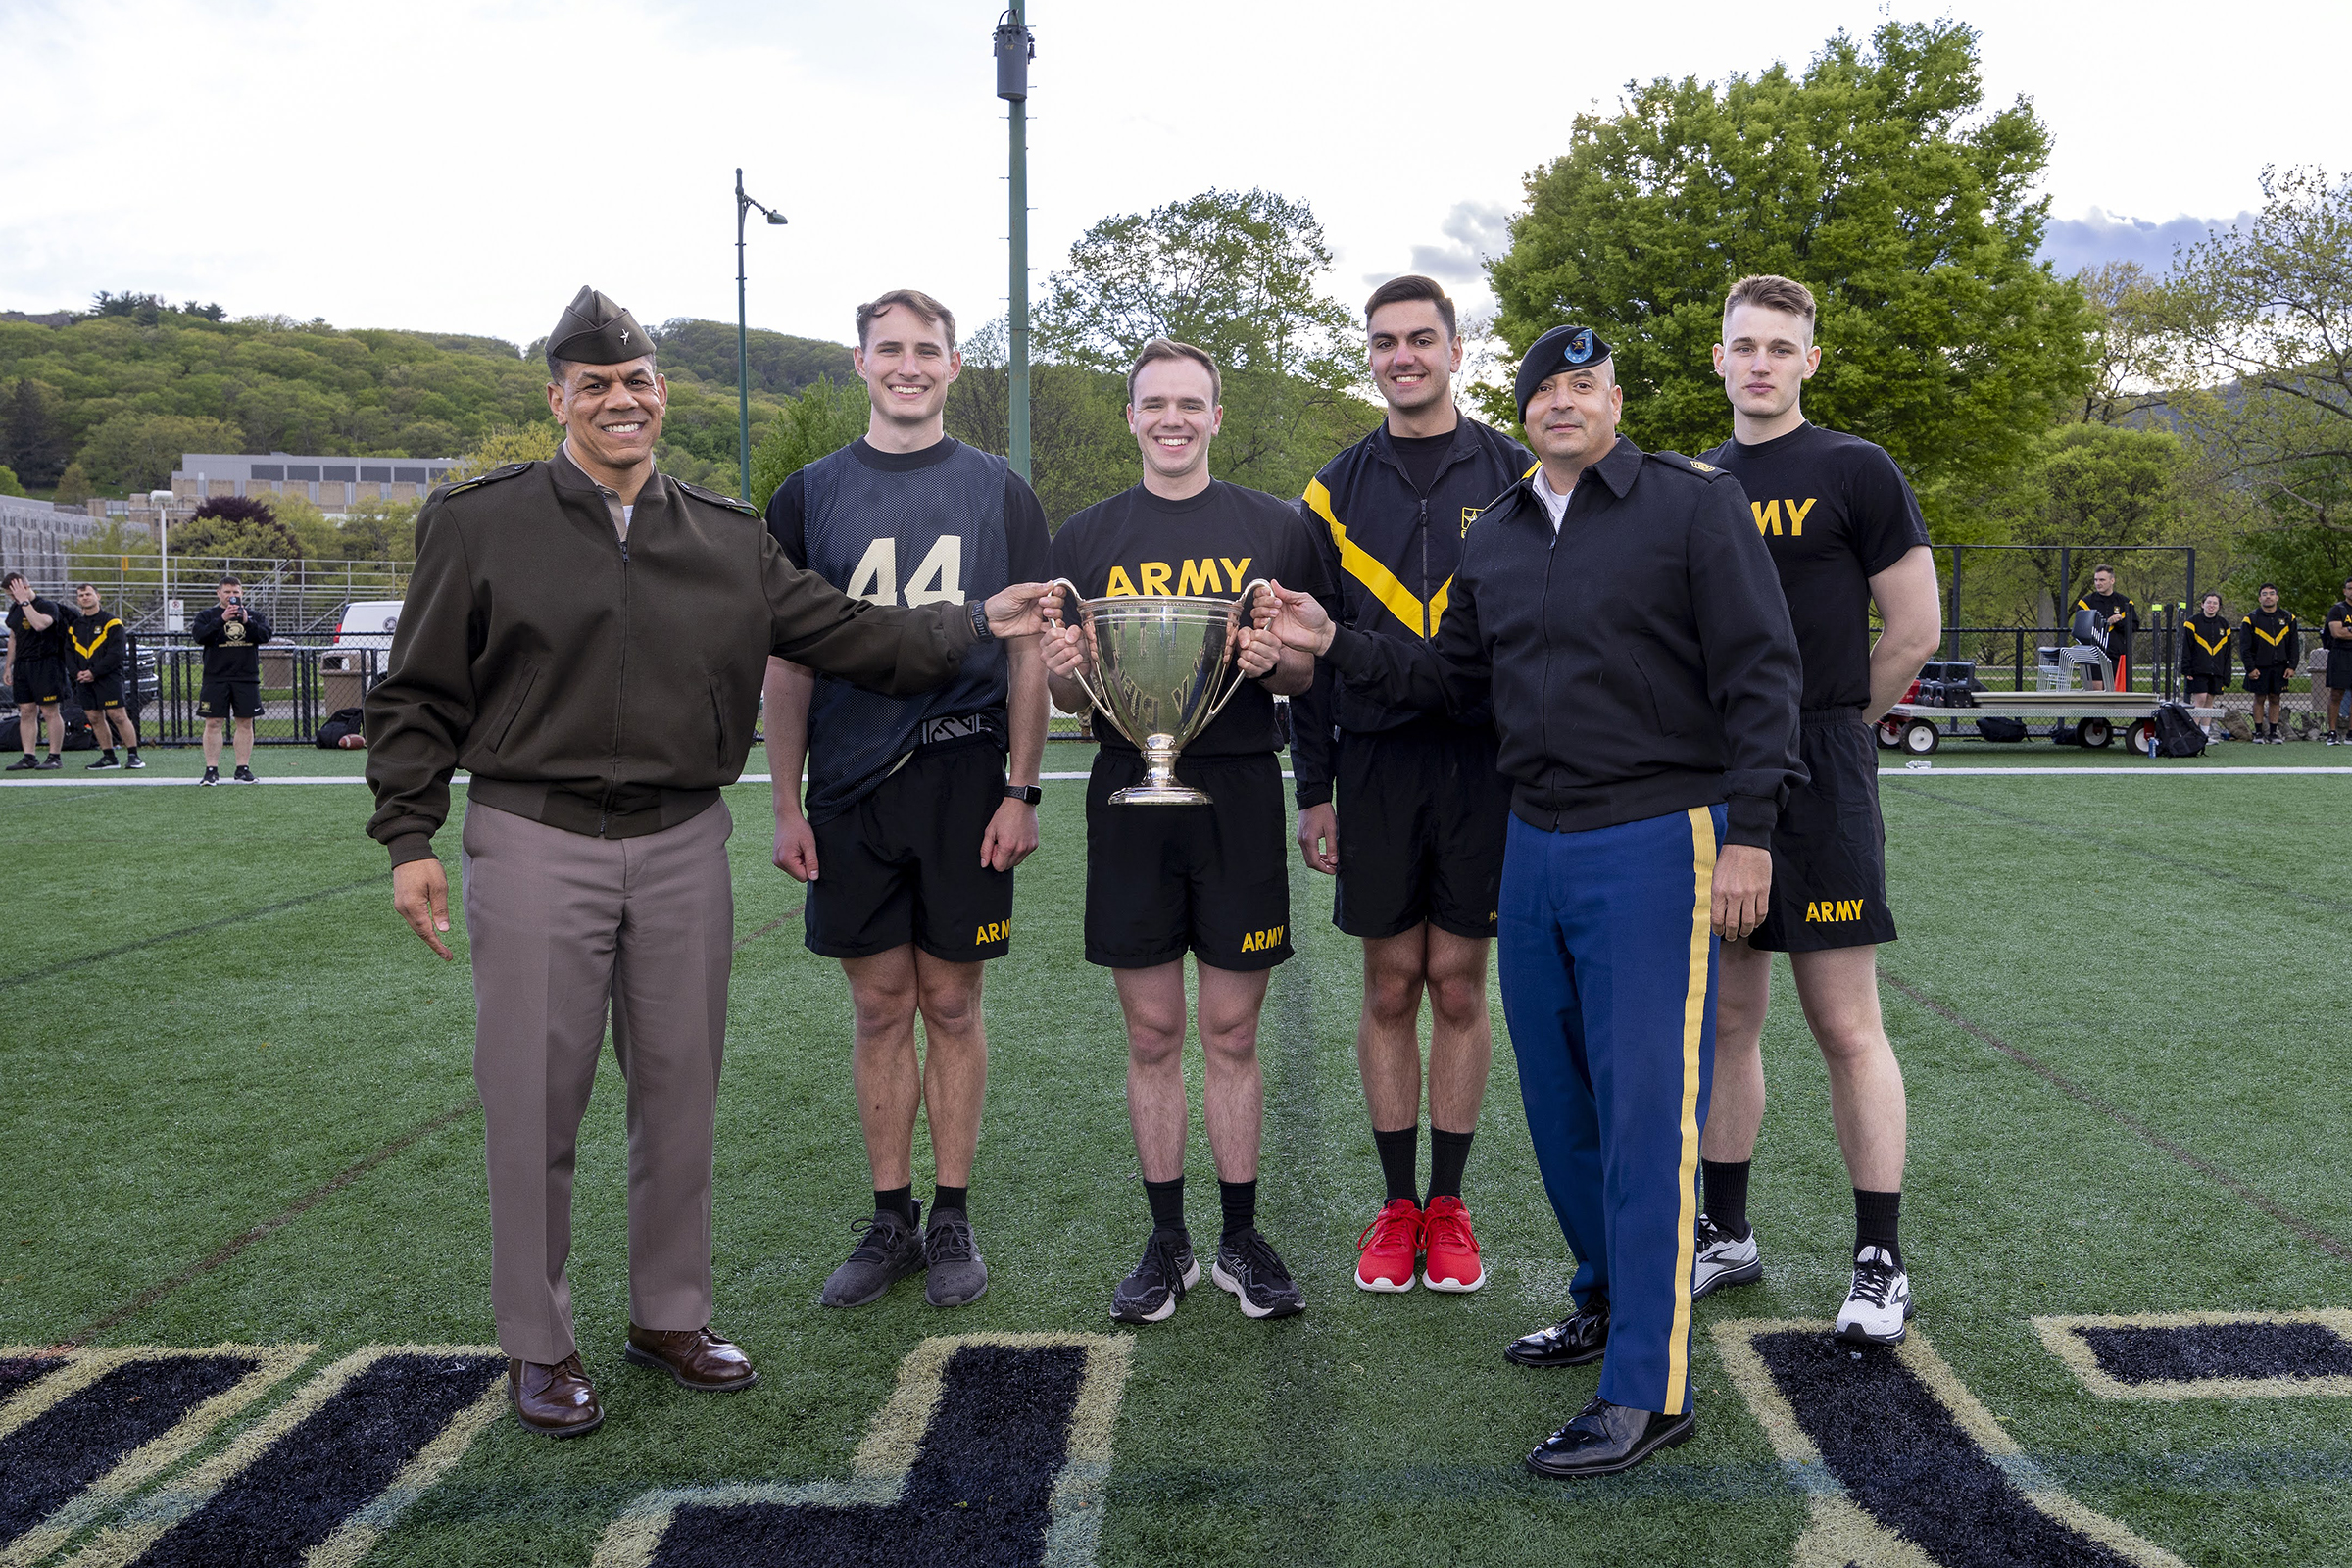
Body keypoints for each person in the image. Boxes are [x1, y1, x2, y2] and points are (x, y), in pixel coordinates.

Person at [364, 284, 1053, 1440]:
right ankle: (539, 1343)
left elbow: (857, 639)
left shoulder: (727, 535)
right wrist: (408, 836)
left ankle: (668, 1315)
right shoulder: (480, 522)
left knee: (681, 1095)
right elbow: (418, 693)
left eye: (637, 383)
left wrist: (979, 620)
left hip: (684, 838)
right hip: (536, 834)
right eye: (595, 386)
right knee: (535, 1102)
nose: (620, 402)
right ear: (559, 400)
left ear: (662, 395)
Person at [1249, 322, 1802, 1478]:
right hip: (1534, 839)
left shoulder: (1692, 506)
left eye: (1584, 385)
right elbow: (1450, 680)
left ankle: (1648, 1392)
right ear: (1526, 405)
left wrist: (1750, 833)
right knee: (1559, 1106)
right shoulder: (1497, 532)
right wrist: (1331, 638)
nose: (1564, 402)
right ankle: (1604, 1300)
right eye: (1545, 388)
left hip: (1658, 835)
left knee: (1650, 1110)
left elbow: (1762, 672)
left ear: (1615, 399)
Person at [761, 288, 1051, 1311]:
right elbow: (788, 662)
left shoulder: (999, 493)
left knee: (953, 1000)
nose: (909, 364)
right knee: (880, 1004)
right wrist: (786, 801)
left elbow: (1026, 653)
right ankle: (890, 1217)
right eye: (891, 348)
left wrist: (1022, 786)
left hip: (964, 774)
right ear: (860, 362)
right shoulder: (807, 494)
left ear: (955, 366)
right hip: (848, 784)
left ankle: (952, 1211)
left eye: (928, 349)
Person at [1038, 337, 1326, 1326]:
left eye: (1190, 403)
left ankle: (1241, 1238)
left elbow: (1300, 675)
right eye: (1154, 403)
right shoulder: (1084, 537)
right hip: (1129, 789)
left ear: (1214, 413)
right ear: (1130, 417)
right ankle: (1168, 1242)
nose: (1172, 418)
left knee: (1231, 1029)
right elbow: (1072, 691)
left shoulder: (1277, 528)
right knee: (1154, 1030)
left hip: (1239, 785)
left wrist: (1274, 657)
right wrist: (1063, 663)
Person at [1693, 275, 1942, 1347]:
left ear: (1809, 359)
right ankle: (1727, 1232)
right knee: (1729, 1020)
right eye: (1743, 345)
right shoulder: (1691, 481)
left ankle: (1879, 1262)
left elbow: (1915, 627)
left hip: (1823, 770)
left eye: (1779, 346)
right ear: (1719, 359)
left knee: (1845, 1023)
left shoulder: (1856, 469)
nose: (1760, 362)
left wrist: (1830, 724)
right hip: (1716, 780)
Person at [1289, 275, 1532, 1296]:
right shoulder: (1332, 489)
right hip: (1378, 763)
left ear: (1457, 348)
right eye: (1386, 341)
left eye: (1421, 338)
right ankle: (1398, 1204)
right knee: (1390, 982)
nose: (1403, 356)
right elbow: (1303, 654)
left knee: (1460, 984)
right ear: (1371, 354)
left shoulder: (1518, 473)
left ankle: (1452, 1200)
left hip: (1485, 764)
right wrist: (1314, 788)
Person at [190, 575, 272, 784]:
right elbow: (200, 636)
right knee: (213, 722)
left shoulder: (253, 615)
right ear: (219, 593)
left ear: (242, 594)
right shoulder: (207, 615)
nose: (232, 596)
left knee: (245, 723)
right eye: (227, 592)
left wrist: (247, 621)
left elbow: (265, 635)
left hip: (246, 677)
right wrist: (222, 619)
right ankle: (211, 770)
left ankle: (242, 769)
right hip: (215, 678)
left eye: (236, 592)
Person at [66, 583, 141, 769]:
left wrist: (94, 672)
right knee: (93, 717)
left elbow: (116, 654)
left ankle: (133, 755)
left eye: (88, 594)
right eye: (81, 595)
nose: (85, 597)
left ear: (98, 596)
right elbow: (68, 653)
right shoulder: (75, 626)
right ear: (78, 599)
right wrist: (77, 673)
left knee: (118, 715)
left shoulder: (112, 623)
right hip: (83, 680)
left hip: (108, 678)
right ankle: (109, 757)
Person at [4, 571, 67, 770]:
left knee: (49, 711)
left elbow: (40, 624)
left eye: (15, 593)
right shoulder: (14, 609)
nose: (13, 598)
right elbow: (13, 637)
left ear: (25, 586)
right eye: (10, 595)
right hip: (23, 665)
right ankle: (29, 756)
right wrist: (8, 666)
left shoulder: (47, 606)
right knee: (26, 711)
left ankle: (54, 756)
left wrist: (24, 602)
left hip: (46, 664)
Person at [2238, 584, 2299, 743]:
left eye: (2271, 594)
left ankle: (2273, 732)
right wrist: (2250, 668)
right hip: (2259, 667)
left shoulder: (2288, 618)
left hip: (2280, 666)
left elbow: (2294, 645)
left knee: (2275, 698)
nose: (2268, 596)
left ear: (2277, 597)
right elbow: (2244, 647)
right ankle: (2258, 732)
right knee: (2259, 697)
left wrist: (2292, 666)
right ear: (2259, 598)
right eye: (2264, 594)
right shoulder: (2250, 619)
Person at [2076, 566, 2137, 690]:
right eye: (2096, 580)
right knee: (2097, 692)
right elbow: (2081, 629)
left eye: (2102, 580)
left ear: (2112, 581)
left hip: (2116, 654)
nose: (2098, 583)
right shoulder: (2086, 602)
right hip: (2093, 654)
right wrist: (2106, 623)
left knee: (2115, 693)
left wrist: (2118, 623)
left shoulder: (2125, 602)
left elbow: (2133, 626)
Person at [2180, 592, 2233, 735]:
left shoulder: (2224, 625)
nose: (2211, 605)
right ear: (2202, 604)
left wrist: (2226, 674)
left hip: (2216, 670)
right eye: (2208, 602)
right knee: (2200, 698)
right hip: (2198, 669)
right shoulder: (2192, 623)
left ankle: (2205, 734)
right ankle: (2193, 733)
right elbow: (2186, 648)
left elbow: (2228, 652)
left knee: (2209, 700)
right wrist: (2187, 669)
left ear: (2219, 606)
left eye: (2215, 603)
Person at [2322, 579, 2352, 745]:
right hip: (2340, 654)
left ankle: (2350, 733)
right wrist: (2344, 631)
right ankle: (2332, 732)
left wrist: (2348, 629)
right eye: (2350, 588)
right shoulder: (2337, 609)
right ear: (2344, 591)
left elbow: (2344, 631)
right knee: (2336, 693)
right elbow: (2337, 633)